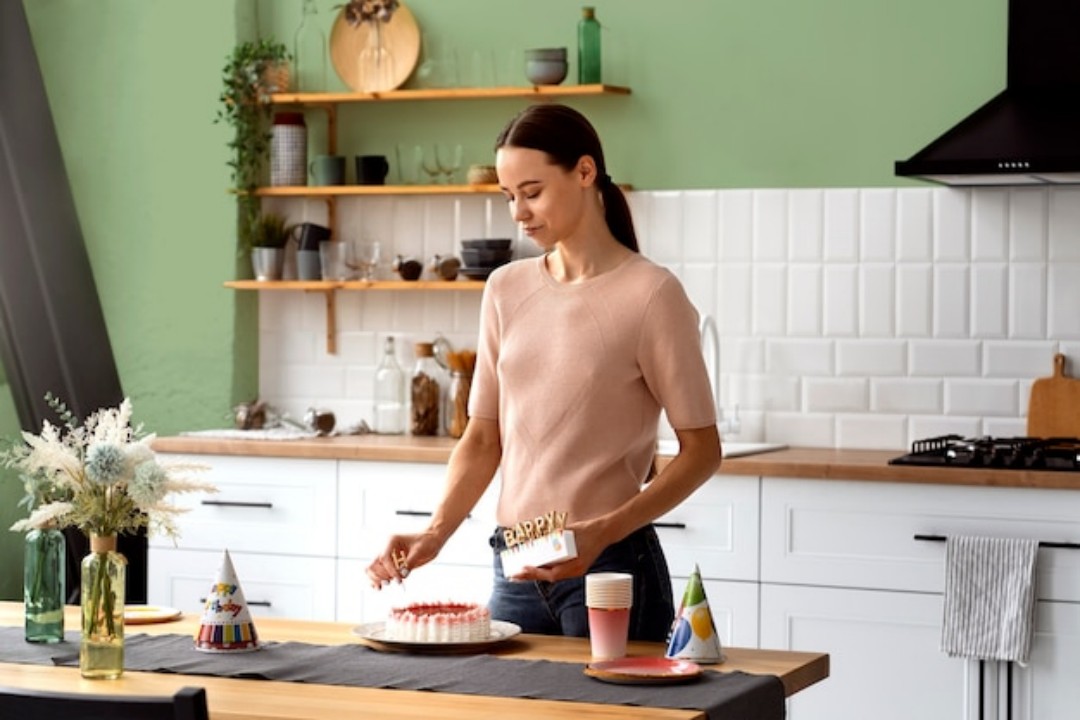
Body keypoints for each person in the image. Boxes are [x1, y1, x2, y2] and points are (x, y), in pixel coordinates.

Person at [366, 103, 721, 641]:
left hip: (610, 569)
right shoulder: (505, 289)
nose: (518, 212)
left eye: (531, 193)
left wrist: (601, 533)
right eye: (509, 197)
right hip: (515, 567)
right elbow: (483, 437)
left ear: (584, 172)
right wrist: (434, 534)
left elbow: (702, 451)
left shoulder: (652, 295)